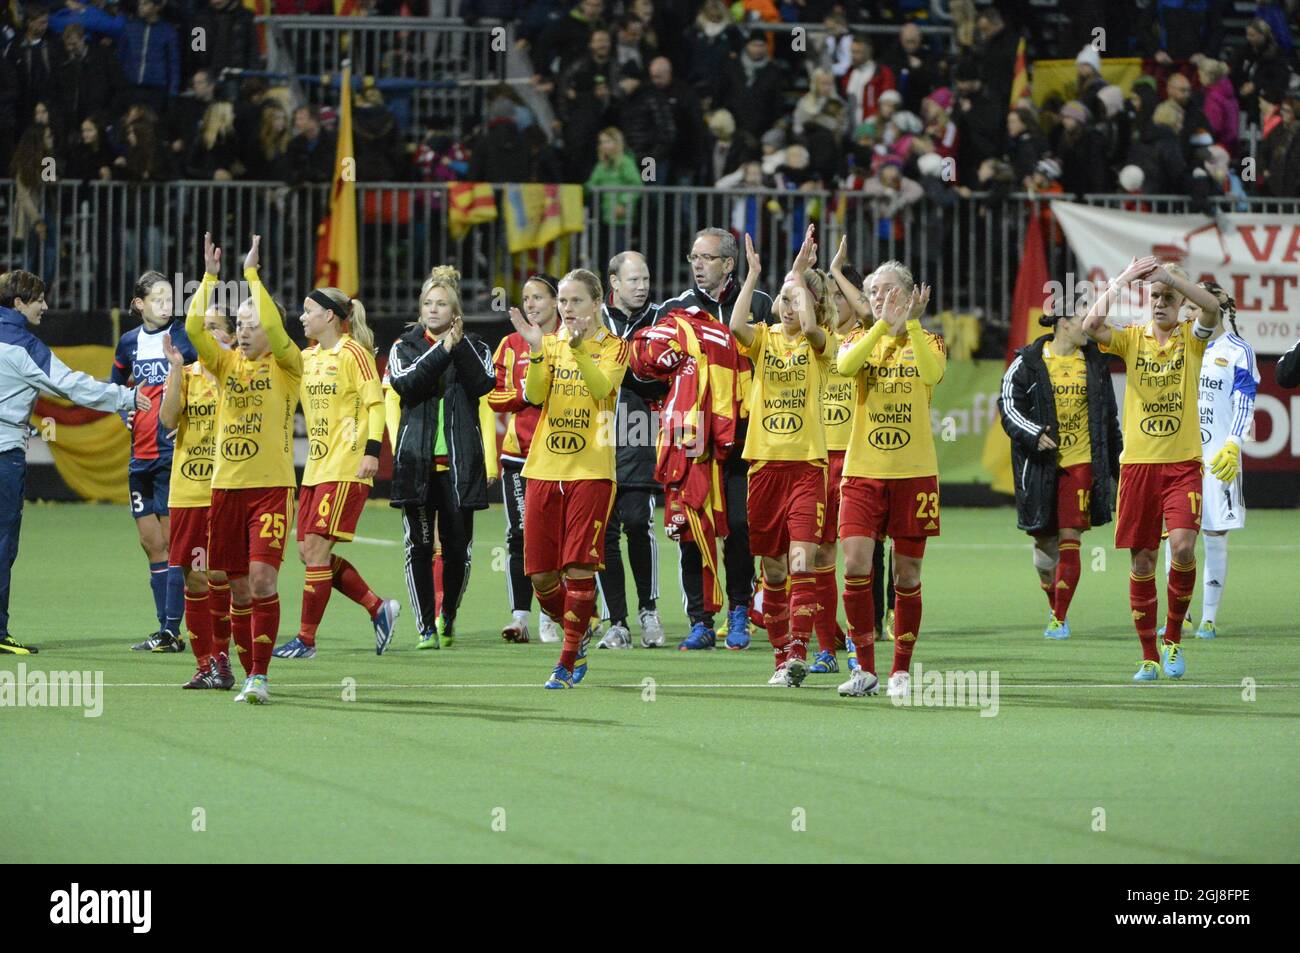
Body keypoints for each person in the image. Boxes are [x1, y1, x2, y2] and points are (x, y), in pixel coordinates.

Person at [1081, 256, 1221, 682]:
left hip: (1182, 466)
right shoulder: (1132, 339)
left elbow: (1212, 310)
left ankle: (1173, 639)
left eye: (1168, 297)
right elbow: (1090, 325)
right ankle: (1148, 656)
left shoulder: (1192, 339)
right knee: (1142, 561)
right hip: (1139, 466)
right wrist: (1123, 278)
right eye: (1155, 296)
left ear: (1181, 303)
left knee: (1181, 549)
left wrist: (1173, 277)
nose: (1159, 303)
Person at [1, 269, 149, 655]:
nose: (46, 307)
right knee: (2, 545)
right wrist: (126, 398)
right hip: (4, 456)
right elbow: (71, 386)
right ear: (18, 304)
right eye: (39, 300)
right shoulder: (23, 345)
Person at [185, 233, 301, 705]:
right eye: (240, 323)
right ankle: (237, 666)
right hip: (225, 489)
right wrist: (211, 276)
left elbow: (273, 324)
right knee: (233, 585)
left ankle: (260, 675)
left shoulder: (288, 364)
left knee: (261, 581)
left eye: (252, 324)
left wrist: (251, 275)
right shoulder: (225, 363)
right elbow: (194, 327)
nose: (247, 330)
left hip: (271, 489)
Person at [508, 269, 630, 689]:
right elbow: (536, 395)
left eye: (576, 301)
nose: (567, 309)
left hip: (592, 472)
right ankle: (581, 626)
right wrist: (538, 351)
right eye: (563, 302)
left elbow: (600, 388)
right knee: (541, 576)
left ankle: (567, 659)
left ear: (597, 303)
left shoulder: (614, 347)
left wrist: (576, 351)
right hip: (543, 468)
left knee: (578, 567)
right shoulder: (550, 343)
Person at [729, 228, 835, 687]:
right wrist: (753, 275)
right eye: (786, 301)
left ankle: (798, 650)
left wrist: (797, 279)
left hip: (807, 467)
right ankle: (778, 656)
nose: (790, 309)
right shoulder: (765, 339)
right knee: (772, 569)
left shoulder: (821, 342)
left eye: (797, 302)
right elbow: (734, 326)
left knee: (800, 563)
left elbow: (811, 327)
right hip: (764, 466)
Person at [833, 261, 943, 699]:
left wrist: (910, 327)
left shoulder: (929, 340)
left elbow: (933, 375)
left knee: (907, 573)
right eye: (871, 291)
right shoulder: (861, 338)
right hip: (862, 472)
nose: (877, 296)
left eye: (886, 290)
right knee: (856, 564)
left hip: (914, 475)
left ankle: (900, 669)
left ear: (909, 294)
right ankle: (864, 668)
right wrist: (881, 326)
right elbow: (845, 366)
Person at [271, 288, 400, 660]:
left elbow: (376, 405)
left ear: (329, 316)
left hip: (346, 466)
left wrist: (372, 452)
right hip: (315, 469)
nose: (301, 317)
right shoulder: (308, 357)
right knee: (307, 552)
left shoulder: (354, 353)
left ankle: (306, 641)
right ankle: (378, 608)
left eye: (308, 310)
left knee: (316, 550)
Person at [655, 227, 765, 650]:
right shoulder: (674, 309)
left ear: (729, 264)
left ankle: (739, 608)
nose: (697, 264)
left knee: (738, 525)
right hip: (693, 440)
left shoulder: (759, 304)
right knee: (691, 527)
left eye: (706, 257)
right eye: (693, 257)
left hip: (742, 435)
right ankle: (700, 618)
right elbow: (649, 368)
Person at [998, 303, 1122, 640]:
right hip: (1039, 467)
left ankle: (1059, 618)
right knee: (1043, 546)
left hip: (1080, 463)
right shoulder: (1028, 362)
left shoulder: (1094, 363)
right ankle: (1053, 600)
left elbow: (1108, 417)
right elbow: (1008, 406)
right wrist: (1034, 434)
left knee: (1071, 537)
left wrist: (1117, 466)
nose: (1092, 326)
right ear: (1064, 324)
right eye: (1085, 319)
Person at [388, 267, 494, 650]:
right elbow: (407, 384)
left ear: (455, 311)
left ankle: (447, 614)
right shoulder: (403, 347)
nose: (433, 310)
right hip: (416, 465)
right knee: (418, 546)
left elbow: (484, 384)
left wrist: (458, 344)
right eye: (428, 303)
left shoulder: (476, 346)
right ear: (421, 309)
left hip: (459, 466)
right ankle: (424, 627)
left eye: (442, 304)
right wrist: (442, 348)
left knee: (456, 550)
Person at [1160, 284, 1256, 640]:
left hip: (1218, 458)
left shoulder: (1238, 350)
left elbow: (1245, 400)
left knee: (1214, 535)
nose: (1188, 309)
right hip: (1180, 457)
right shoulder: (1179, 345)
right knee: (1176, 538)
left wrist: (1233, 444)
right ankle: (1178, 616)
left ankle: (1209, 618)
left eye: (1194, 303)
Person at [115, 269, 198, 653]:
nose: (166, 305)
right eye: (158, 298)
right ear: (139, 304)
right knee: (152, 545)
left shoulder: (183, 338)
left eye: (170, 298)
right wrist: (124, 412)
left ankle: (172, 630)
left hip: (172, 456)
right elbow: (116, 389)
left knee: (174, 544)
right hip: (140, 457)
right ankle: (165, 628)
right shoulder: (128, 343)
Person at [158, 303, 236, 689]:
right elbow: (168, 420)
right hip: (188, 490)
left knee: (220, 576)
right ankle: (204, 665)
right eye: (202, 328)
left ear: (232, 335)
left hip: (227, 489)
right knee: (194, 581)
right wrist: (174, 368)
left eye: (216, 327)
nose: (207, 334)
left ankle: (223, 659)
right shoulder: (186, 375)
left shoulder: (241, 375)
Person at [596, 251, 665, 649]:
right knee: (604, 533)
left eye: (646, 279)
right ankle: (616, 621)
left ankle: (649, 610)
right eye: (634, 280)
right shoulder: (593, 322)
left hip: (639, 432)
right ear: (614, 283)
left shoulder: (661, 320)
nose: (642, 287)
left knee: (639, 523)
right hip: (596, 437)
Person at [491, 274, 561, 645]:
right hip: (519, 456)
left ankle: (556, 613)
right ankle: (520, 616)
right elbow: (495, 397)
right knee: (520, 535)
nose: (531, 304)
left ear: (556, 301)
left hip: (564, 456)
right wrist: (527, 394)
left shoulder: (570, 341)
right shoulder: (510, 344)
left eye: (538, 297)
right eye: (527, 298)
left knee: (561, 539)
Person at [808, 237, 865, 675]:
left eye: (838, 294)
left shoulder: (864, 340)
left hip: (860, 459)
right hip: (819, 458)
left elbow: (866, 312)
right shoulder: (817, 342)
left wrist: (839, 271)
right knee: (822, 555)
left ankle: (858, 640)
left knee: (856, 556)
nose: (835, 301)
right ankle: (828, 645)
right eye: (828, 295)